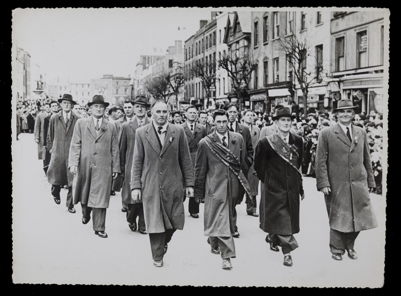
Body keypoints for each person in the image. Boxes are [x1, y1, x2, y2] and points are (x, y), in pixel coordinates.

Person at [130, 100, 194, 267]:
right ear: (152, 113)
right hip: (151, 184)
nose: (161, 115)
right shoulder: (141, 133)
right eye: (158, 112)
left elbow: (186, 159)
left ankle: (164, 241)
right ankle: (157, 255)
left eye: (164, 112)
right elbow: (137, 161)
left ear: (169, 113)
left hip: (173, 184)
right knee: (155, 221)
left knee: (174, 221)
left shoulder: (178, 132)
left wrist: (189, 184)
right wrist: (135, 186)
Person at [315, 99, 377, 261]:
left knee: (359, 215)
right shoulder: (326, 133)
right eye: (342, 111)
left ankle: (350, 246)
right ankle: (337, 249)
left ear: (353, 114)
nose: (345, 114)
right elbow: (320, 161)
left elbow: (367, 158)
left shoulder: (360, 132)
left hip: (358, 182)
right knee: (337, 216)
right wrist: (323, 183)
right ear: (336, 114)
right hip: (337, 183)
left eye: (348, 111)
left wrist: (370, 181)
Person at [194, 109, 251, 270]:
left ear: (229, 122)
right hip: (215, 188)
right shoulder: (205, 143)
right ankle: (227, 256)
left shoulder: (238, 139)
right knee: (224, 221)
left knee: (225, 219)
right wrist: (198, 192)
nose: (221, 125)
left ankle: (213, 239)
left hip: (233, 187)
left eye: (224, 122)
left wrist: (242, 187)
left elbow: (242, 164)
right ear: (213, 123)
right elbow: (200, 169)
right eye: (218, 122)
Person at [254, 106, 305, 267]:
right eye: (282, 120)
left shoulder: (298, 140)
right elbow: (259, 166)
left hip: (292, 187)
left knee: (285, 218)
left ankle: (273, 236)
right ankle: (288, 252)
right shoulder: (266, 143)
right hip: (274, 188)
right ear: (275, 123)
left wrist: (300, 186)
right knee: (283, 219)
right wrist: (269, 182)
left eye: (289, 120)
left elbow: (299, 164)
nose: (286, 123)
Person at [69, 95, 120, 238]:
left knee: (102, 196)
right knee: (85, 191)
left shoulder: (111, 126)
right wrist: (73, 163)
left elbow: (115, 148)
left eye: (101, 107)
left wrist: (115, 167)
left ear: (105, 109)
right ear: (90, 108)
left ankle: (99, 227)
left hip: (104, 166)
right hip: (85, 164)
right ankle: (85, 212)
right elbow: (75, 144)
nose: (99, 109)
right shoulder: (81, 123)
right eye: (96, 106)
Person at [119, 96, 150, 234]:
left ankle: (143, 224)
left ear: (147, 109)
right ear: (134, 108)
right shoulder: (126, 126)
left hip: (148, 166)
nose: (140, 109)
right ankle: (131, 218)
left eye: (142, 106)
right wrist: (120, 168)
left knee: (146, 196)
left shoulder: (153, 124)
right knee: (132, 197)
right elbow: (122, 149)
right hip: (131, 165)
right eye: (137, 106)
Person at [224, 103, 254, 237]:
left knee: (234, 198)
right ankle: (231, 226)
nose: (232, 114)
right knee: (225, 199)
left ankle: (230, 224)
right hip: (222, 170)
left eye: (234, 112)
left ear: (238, 114)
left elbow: (250, 149)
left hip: (239, 170)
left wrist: (247, 162)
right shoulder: (218, 128)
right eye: (230, 112)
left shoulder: (244, 130)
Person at [46, 94, 79, 213]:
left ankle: (70, 205)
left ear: (72, 105)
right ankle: (55, 192)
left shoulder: (77, 119)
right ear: (61, 104)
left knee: (72, 179)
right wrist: (51, 148)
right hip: (58, 152)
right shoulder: (55, 118)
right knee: (56, 177)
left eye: (69, 103)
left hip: (71, 153)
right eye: (64, 103)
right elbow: (50, 134)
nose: (66, 105)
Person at [181, 105, 207, 219]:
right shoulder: (180, 128)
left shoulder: (202, 128)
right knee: (182, 182)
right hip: (184, 157)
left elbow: (206, 143)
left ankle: (194, 209)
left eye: (194, 113)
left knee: (196, 182)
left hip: (197, 157)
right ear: (185, 115)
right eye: (190, 112)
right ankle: (178, 206)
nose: (193, 114)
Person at [242, 110, 260, 217]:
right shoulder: (239, 129)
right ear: (243, 117)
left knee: (253, 185)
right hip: (241, 159)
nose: (250, 117)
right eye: (247, 115)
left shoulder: (257, 129)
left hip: (253, 160)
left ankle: (252, 208)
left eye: (252, 115)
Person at [42, 101, 59, 174]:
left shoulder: (60, 117)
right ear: (50, 108)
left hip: (58, 139)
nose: (55, 107)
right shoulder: (47, 118)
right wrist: (45, 144)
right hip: (50, 140)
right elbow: (45, 131)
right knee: (49, 156)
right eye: (53, 106)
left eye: (56, 106)